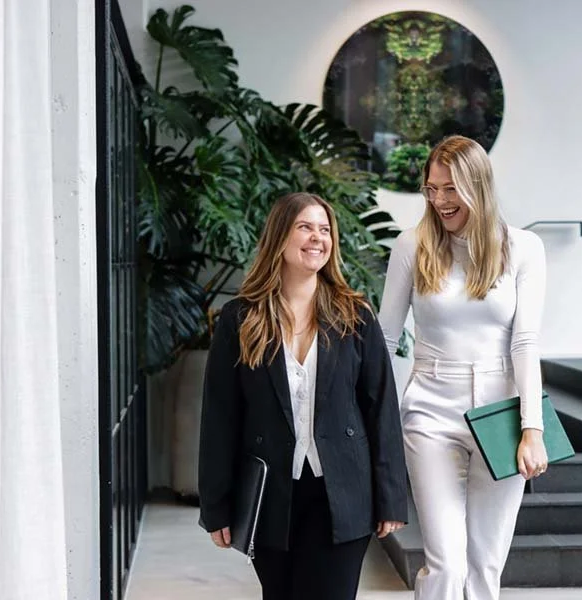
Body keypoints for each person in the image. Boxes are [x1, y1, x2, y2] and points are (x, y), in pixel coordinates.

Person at [199, 192, 408, 600]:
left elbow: (381, 407)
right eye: (305, 227)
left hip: (343, 493)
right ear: (280, 237)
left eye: (325, 229)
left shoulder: (355, 315)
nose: (318, 238)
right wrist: (216, 506)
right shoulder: (240, 319)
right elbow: (220, 417)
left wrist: (391, 497)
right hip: (270, 495)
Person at [378, 135, 548, 600]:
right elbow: (385, 340)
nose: (439, 200)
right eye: (432, 189)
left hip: (502, 415)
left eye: (450, 189)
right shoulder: (412, 246)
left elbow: (526, 341)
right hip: (431, 410)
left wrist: (532, 428)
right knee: (447, 564)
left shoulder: (523, 248)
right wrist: (376, 424)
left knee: (485, 566)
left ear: (477, 185)